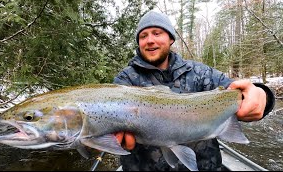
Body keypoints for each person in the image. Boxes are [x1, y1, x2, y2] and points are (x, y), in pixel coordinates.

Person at [112, 10, 275, 171]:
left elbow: (240, 91)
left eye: (157, 33)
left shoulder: (200, 72)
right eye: (143, 36)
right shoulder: (125, 81)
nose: (149, 40)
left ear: (170, 39)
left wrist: (262, 96)